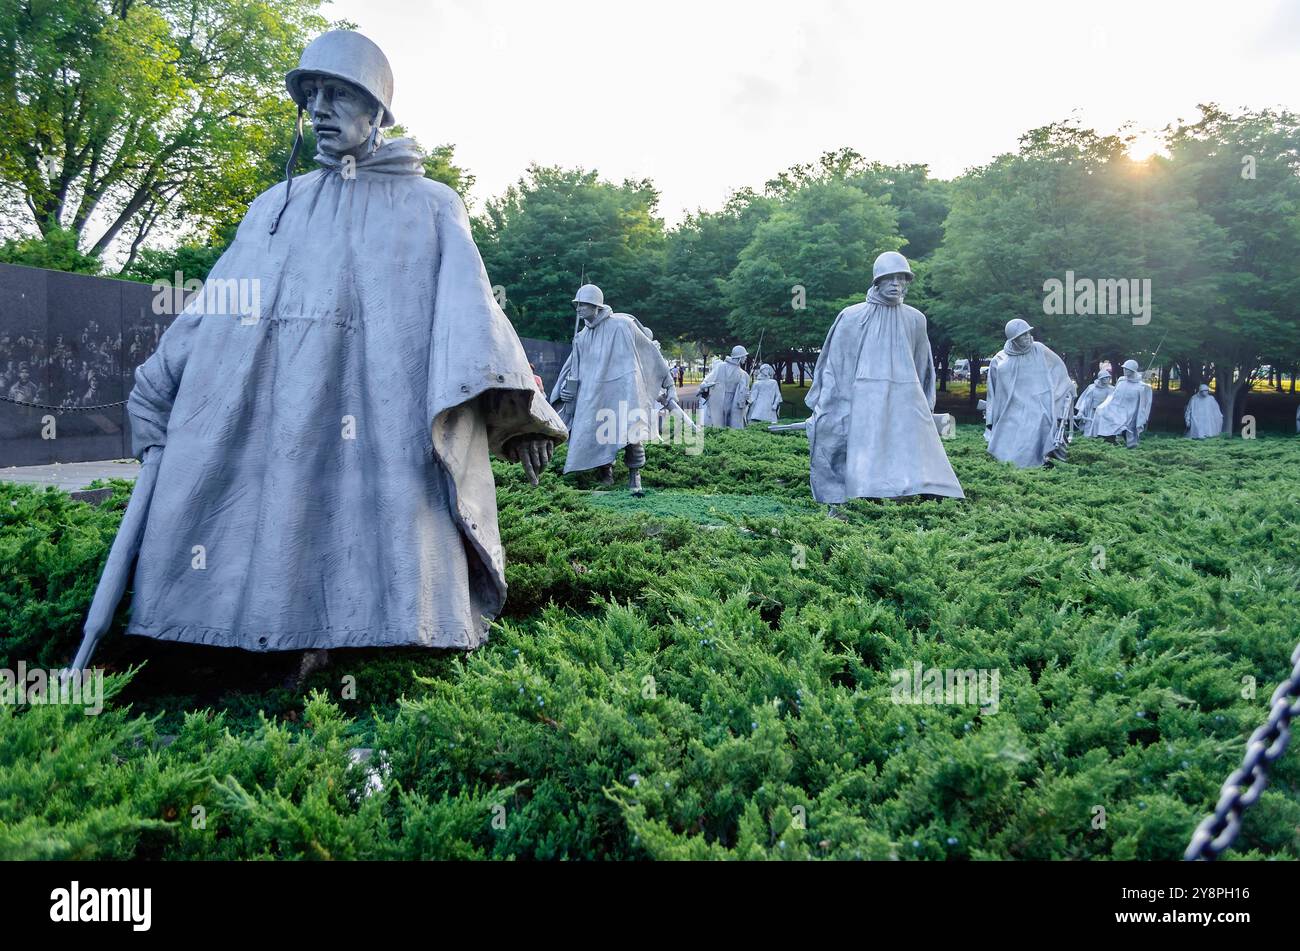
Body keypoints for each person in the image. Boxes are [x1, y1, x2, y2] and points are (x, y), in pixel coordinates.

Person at [115, 30, 566, 674]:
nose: (321, 107)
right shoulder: (277, 208)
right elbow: (214, 310)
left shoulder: (432, 207)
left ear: (378, 111)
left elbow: (472, 321)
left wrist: (516, 417)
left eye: (340, 94)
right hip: (290, 407)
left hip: (390, 412)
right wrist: (158, 384)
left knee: (382, 510)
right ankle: (290, 631)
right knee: (294, 500)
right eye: (313, 94)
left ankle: (382, 625)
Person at [806, 251, 964, 503]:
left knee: (905, 452)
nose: (896, 284)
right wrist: (831, 407)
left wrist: (925, 405)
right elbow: (836, 367)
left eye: (902, 279)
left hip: (906, 398)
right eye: (890, 278)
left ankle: (906, 495)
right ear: (877, 281)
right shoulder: (852, 317)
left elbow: (923, 368)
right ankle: (859, 498)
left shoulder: (915, 319)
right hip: (864, 398)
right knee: (863, 455)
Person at [550, 283, 673, 496]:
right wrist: (565, 389)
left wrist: (669, 384)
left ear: (596, 306)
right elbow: (573, 368)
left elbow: (649, 352)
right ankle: (605, 470)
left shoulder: (622, 325)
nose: (578, 308)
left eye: (583, 304)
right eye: (577, 305)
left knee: (631, 432)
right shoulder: (581, 337)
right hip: (593, 393)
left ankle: (635, 474)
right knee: (597, 431)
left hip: (623, 389)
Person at [984, 319, 1076, 467]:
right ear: (1013, 339)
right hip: (1011, 407)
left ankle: (1037, 462)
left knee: (1040, 419)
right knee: (1011, 429)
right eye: (1022, 335)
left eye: (1028, 333)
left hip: (1038, 404)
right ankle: (1014, 465)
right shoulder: (1000, 359)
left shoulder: (1039, 349)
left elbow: (1058, 368)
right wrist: (991, 418)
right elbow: (993, 392)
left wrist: (1066, 386)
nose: (1027, 337)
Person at [1086, 359, 1153, 447]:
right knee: (1101, 413)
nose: (1124, 371)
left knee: (1126, 427)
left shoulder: (1142, 387)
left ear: (1132, 370)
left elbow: (1144, 405)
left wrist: (1142, 417)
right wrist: (1103, 406)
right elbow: (1113, 396)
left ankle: (1130, 446)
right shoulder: (1121, 381)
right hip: (1116, 409)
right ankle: (1109, 440)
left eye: (1127, 369)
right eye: (1124, 368)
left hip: (1130, 414)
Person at [700, 346, 751, 428]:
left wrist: (747, 397)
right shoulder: (721, 367)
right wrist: (704, 384)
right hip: (720, 398)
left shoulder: (744, 375)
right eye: (744, 356)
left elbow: (745, 393)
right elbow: (709, 378)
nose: (745, 358)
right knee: (718, 424)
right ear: (739, 356)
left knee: (733, 424)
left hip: (734, 401)